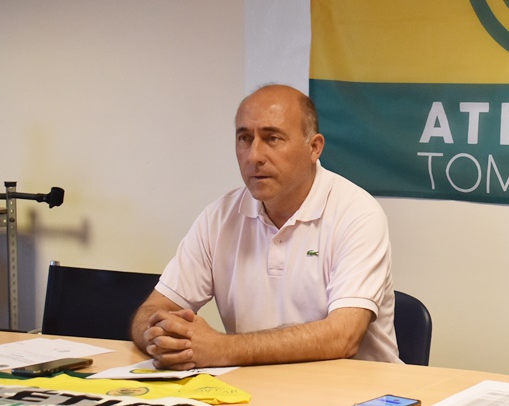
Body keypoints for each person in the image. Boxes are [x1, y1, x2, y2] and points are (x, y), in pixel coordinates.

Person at [131, 84, 399, 369]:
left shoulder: (357, 213)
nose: (254, 155)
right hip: (254, 392)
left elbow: (342, 337)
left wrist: (221, 348)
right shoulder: (219, 216)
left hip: (359, 397)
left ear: (314, 147)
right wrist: (161, 338)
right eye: (245, 138)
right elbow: (153, 309)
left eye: (272, 138)